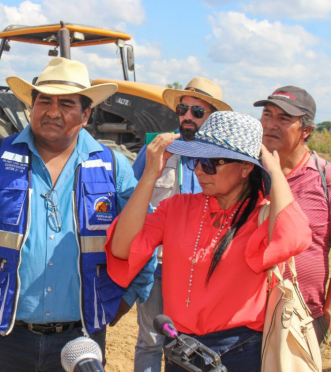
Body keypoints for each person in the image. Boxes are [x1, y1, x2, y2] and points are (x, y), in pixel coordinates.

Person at [0, 57, 156, 371]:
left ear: (86, 112)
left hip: (81, 339)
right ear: (32, 105)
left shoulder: (113, 168)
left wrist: (131, 293)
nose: (52, 112)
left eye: (66, 104)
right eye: (44, 101)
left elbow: (145, 235)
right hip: (6, 336)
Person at [106, 111, 312, 371]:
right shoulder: (177, 207)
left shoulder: (260, 216)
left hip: (239, 351)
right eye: (197, 161)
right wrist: (149, 176)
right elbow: (122, 248)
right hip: (181, 349)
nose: (202, 170)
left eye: (213, 162)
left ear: (246, 167)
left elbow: (295, 238)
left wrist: (274, 171)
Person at [132, 77, 232, 372]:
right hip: (157, 267)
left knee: (193, 341)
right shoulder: (156, 150)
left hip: (203, 269)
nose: (187, 116)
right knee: (150, 340)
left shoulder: (225, 158)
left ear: (213, 116)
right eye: (183, 109)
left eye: (197, 112)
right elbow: (132, 199)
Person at [254, 86, 331, 350]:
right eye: (267, 114)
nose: (270, 124)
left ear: (306, 130)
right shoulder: (245, 172)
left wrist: (329, 310)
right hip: (244, 318)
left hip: (303, 317)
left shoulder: (325, 180)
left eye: (284, 119)